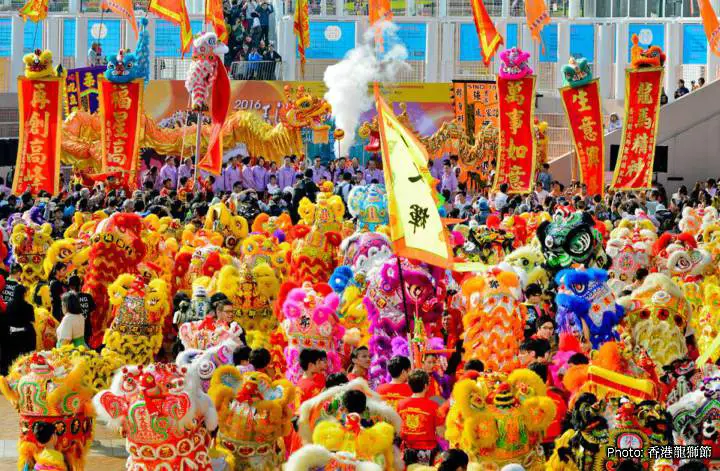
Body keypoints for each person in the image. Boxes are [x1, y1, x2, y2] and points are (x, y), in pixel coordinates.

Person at [396, 370, 443, 465]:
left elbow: (398, 430)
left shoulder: (401, 404)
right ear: (426, 386)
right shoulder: (434, 406)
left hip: (407, 451)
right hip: (426, 452)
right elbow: (440, 432)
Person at [1, 285, 36, 374]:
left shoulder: (9, 305)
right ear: (24, 294)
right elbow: (31, 321)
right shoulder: (29, 307)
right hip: (25, 336)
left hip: (11, 336)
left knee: (11, 360)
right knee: (24, 361)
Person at [68, 275, 95, 345]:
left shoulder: (69, 298)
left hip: (74, 329)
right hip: (86, 328)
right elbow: (92, 309)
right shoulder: (88, 296)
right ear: (80, 285)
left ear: (71, 286)